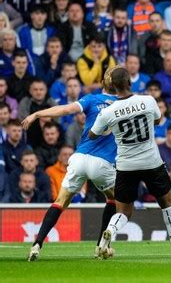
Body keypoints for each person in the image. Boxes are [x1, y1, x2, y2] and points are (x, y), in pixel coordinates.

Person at [89, 66, 171, 259]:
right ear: (130, 82)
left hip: (126, 166)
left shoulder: (108, 112)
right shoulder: (148, 100)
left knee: (124, 210)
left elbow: (92, 135)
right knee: (167, 202)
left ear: (112, 86)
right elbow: (158, 121)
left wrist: (109, 125)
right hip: (151, 162)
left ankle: (109, 232)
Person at [23, 71, 119, 262]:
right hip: (103, 163)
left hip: (80, 157)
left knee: (61, 201)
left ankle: (37, 244)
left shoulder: (91, 99)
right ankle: (101, 246)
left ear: (101, 83)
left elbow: (65, 110)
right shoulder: (124, 104)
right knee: (115, 200)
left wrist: (37, 113)